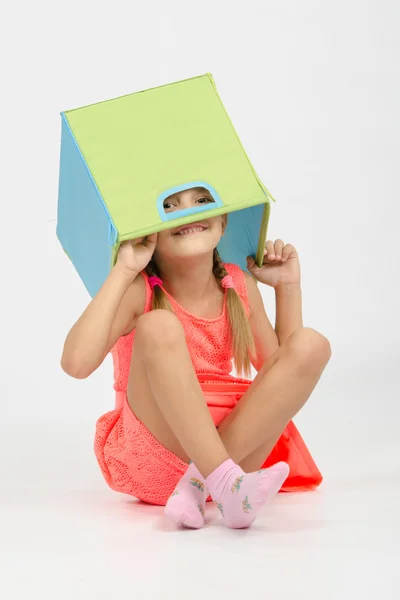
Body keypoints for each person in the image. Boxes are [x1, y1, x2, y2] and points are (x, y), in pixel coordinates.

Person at [61, 186, 331, 529]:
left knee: (311, 345)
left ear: (222, 221)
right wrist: (123, 271)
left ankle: (209, 484)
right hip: (155, 452)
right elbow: (76, 364)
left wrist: (288, 289)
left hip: (232, 450)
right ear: (150, 231)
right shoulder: (140, 290)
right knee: (159, 325)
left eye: (202, 201)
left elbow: (281, 375)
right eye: (169, 206)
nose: (187, 212)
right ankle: (221, 481)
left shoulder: (238, 284)